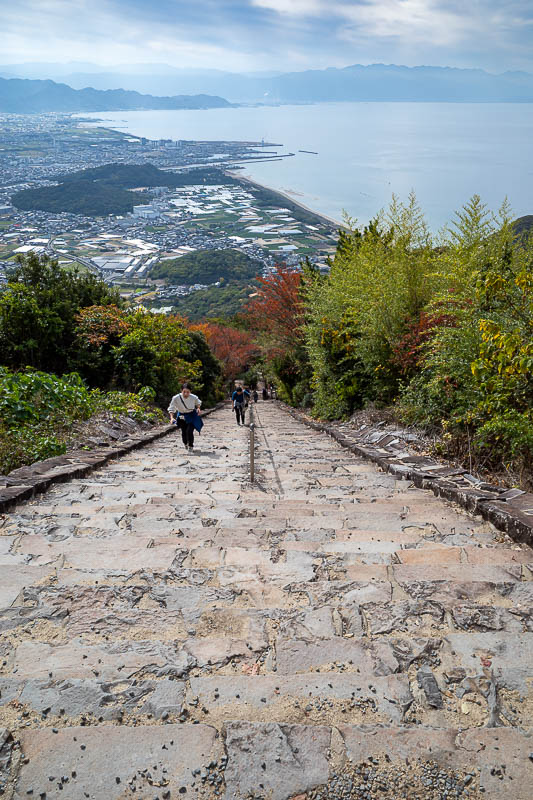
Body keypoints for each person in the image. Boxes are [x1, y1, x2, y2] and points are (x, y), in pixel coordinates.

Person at [168, 383, 203, 451]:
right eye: (184, 392)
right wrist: (172, 418)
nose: (186, 394)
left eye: (188, 392)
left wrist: (198, 408)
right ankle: (185, 443)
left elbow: (198, 403)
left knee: (189, 431)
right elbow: (171, 408)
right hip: (181, 415)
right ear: (181, 390)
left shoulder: (194, 397)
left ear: (190, 391)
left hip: (191, 415)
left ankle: (191, 445)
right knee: (184, 431)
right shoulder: (176, 398)